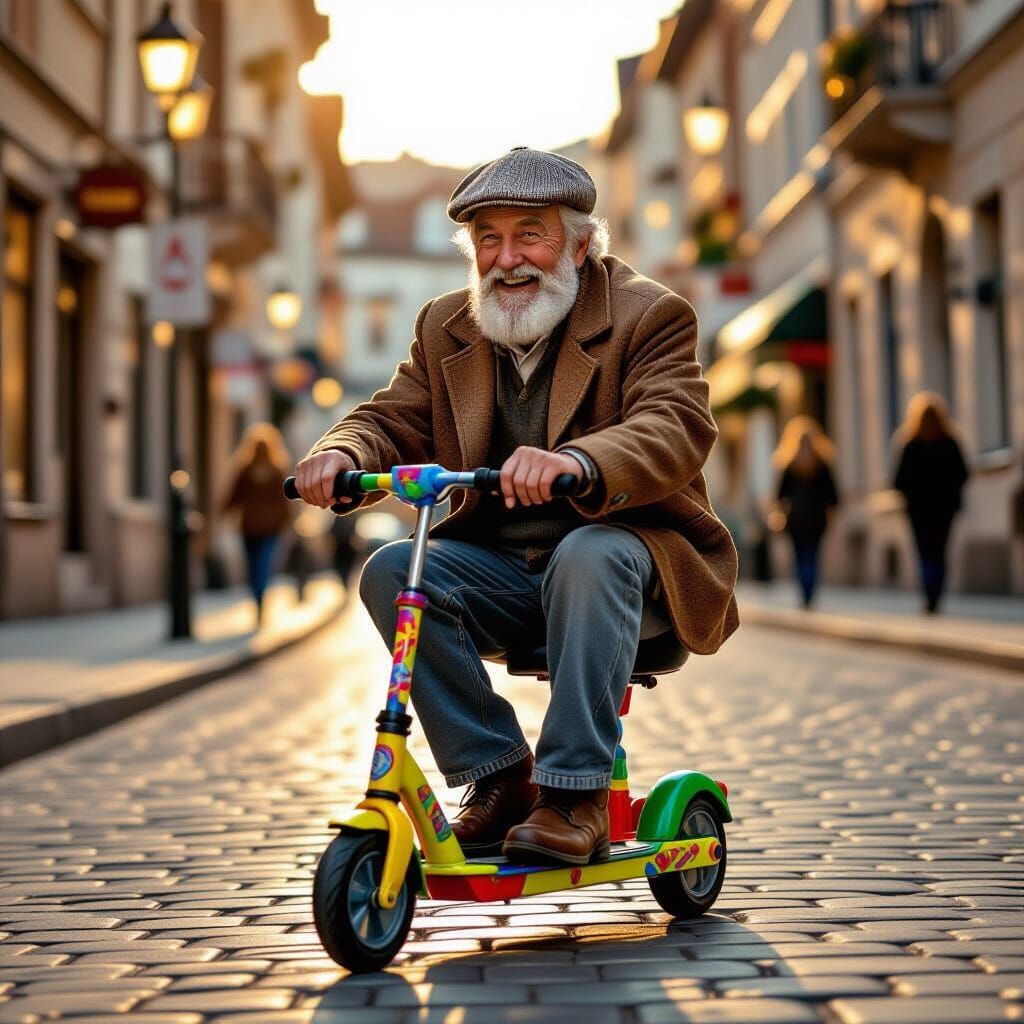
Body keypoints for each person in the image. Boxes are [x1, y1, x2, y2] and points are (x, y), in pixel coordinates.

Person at [294, 147, 739, 865]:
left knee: (588, 553)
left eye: (530, 234)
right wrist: (343, 453)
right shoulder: (448, 325)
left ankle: (576, 793)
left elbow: (673, 424)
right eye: (489, 239)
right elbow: (390, 416)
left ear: (579, 242)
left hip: (629, 566)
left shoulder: (649, 315)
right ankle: (501, 778)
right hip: (507, 572)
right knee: (391, 570)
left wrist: (580, 461)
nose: (508, 259)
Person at [893, 392, 968, 614]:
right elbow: (963, 473)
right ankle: (937, 594)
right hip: (944, 509)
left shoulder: (911, 444)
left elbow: (898, 480)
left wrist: (913, 493)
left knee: (925, 552)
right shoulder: (950, 442)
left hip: (919, 510)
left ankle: (929, 595)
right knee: (940, 550)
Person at [223, 423, 292, 626]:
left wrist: (222, 514)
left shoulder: (245, 470)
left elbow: (233, 497)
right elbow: (284, 501)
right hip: (270, 527)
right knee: (263, 563)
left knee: (253, 565)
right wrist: (288, 522)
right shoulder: (277, 470)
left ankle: (257, 598)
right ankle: (260, 599)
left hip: (250, 526)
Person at [773, 416, 839, 608]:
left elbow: (779, 496)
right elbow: (833, 495)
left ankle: (805, 593)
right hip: (817, 518)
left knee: (800, 556)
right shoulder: (822, 463)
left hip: (796, 519)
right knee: (813, 555)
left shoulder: (789, 464)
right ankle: (811, 591)